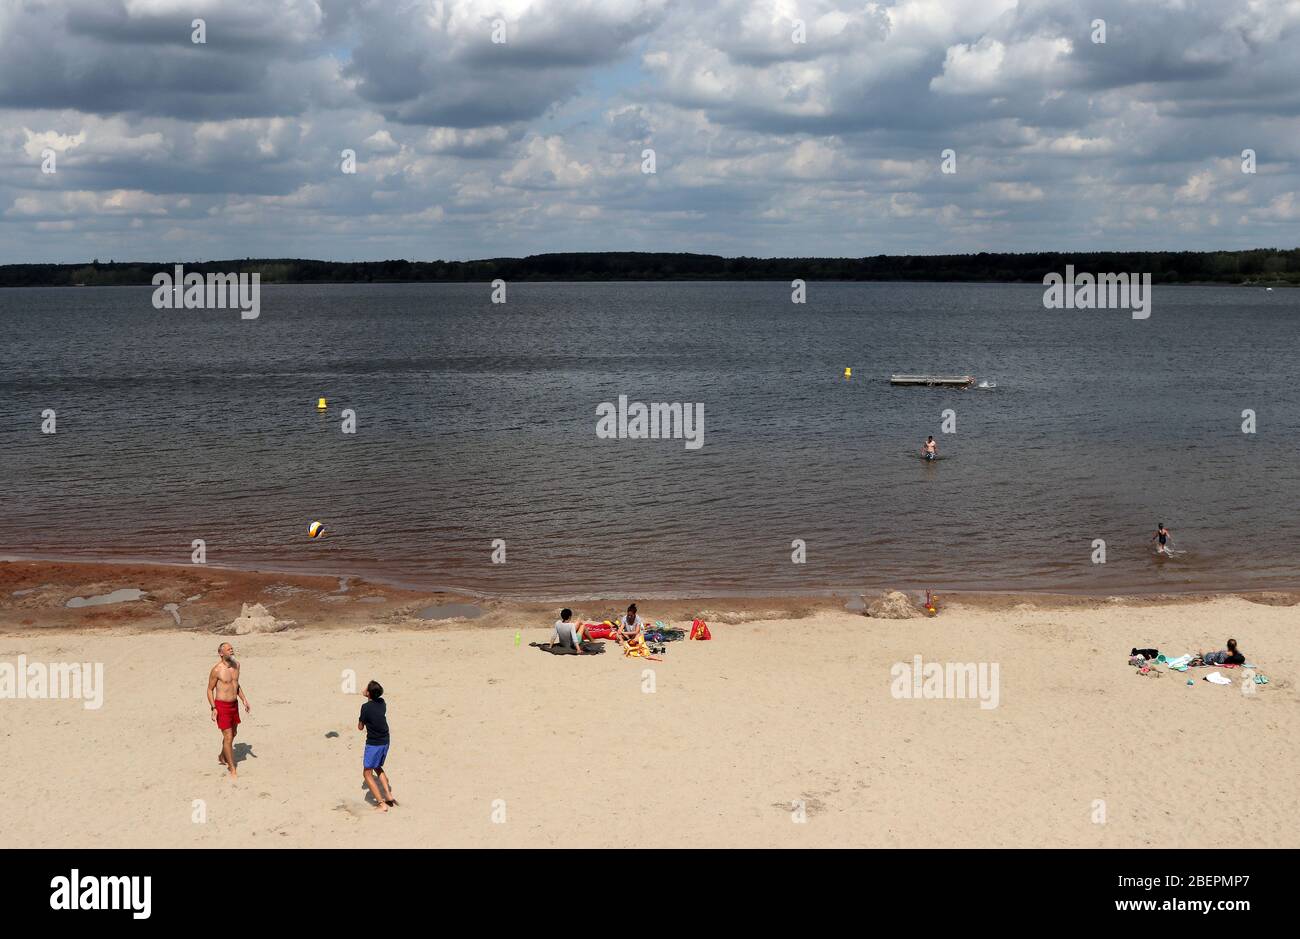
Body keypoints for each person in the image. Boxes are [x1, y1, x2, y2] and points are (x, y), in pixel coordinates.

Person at [206, 642, 251, 780]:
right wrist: (213, 707)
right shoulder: (216, 670)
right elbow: (209, 689)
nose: (231, 650)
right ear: (221, 653)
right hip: (222, 706)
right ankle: (232, 768)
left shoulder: (237, 665)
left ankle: (222, 756)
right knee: (228, 737)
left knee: (234, 733)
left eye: (232, 648)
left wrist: (244, 699)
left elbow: (236, 684)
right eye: (228, 649)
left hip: (234, 705)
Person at [358, 680, 396, 812]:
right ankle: (388, 795)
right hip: (385, 740)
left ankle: (381, 803)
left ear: (368, 693)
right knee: (378, 767)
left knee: (367, 773)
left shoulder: (365, 707)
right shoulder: (382, 703)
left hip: (374, 743)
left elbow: (360, 727)